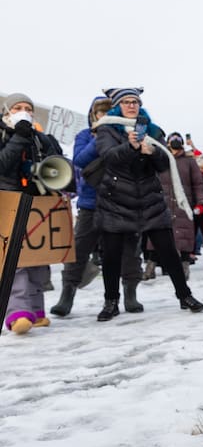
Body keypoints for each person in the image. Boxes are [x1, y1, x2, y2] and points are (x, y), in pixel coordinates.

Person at [93, 87, 203, 321]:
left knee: (168, 250)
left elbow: (164, 163)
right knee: (111, 255)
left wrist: (152, 151)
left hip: (149, 199)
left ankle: (184, 295)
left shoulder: (153, 130)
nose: (132, 105)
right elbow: (108, 157)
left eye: (135, 102)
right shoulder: (107, 128)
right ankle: (111, 302)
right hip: (116, 199)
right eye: (126, 102)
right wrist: (130, 146)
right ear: (117, 106)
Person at [51, 96, 145, 317]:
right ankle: (67, 295)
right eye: (99, 113)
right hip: (91, 202)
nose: (103, 116)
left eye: (108, 113)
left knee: (130, 250)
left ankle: (130, 294)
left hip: (123, 201)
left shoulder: (124, 134)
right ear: (92, 115)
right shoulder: (84, 136)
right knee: (79, 249)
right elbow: (80, 159)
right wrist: (100, 134)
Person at [1, 93, 64, 334]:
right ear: (7, 112)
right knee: (13, 261)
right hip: (7, 202)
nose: (24, 111)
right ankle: (17, 313)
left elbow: (59, 166)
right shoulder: (6, 135)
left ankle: (37, 312)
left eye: (28, 107)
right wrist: (19, 136)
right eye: (18, 107)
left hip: (39, 202)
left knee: (38, 258)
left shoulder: (42, 139)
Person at [151, 131, 203, 280]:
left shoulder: (189, 161)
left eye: (177, 139)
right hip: (163, 202)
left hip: (183, 203)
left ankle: (184, 266)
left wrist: (200, 202)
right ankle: (152, 266)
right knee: (158, 235)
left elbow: (198, 183)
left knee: (184, 235)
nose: (175, 141)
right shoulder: (162, 158)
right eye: (172, 139)